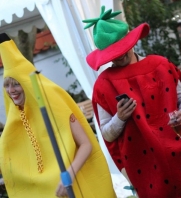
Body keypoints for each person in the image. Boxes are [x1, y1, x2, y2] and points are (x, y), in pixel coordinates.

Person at [83, 6, 181, 197]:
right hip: (145, 166)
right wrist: (120, 118)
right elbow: (107, 134)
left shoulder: (161, 65)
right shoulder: (103, 85)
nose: (120, 55)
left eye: (121, 48)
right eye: (113, 53)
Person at [0, 33, 116, 198]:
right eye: (7, 85)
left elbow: (86, 144)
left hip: (77, 186)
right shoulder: (15, 121)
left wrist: (69, 175)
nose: (11, 91)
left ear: (26, 83)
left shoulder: (53, 104)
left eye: (16, 84)